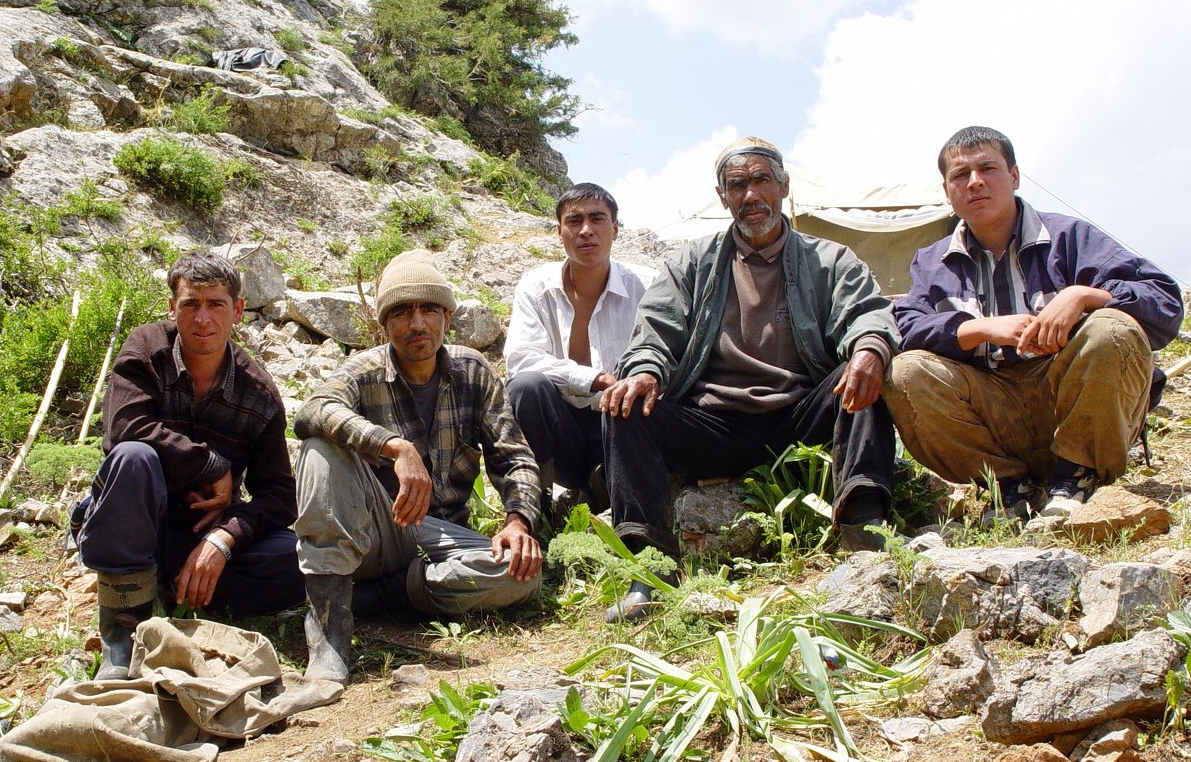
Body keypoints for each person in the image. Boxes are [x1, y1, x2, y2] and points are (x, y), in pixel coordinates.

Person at [599, 136, 900, 622]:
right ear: (723, 197)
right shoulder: (690, 263)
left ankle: (865, 531)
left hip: (799, 418)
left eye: (761, 180)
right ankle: (650, 572)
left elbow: (866, 314)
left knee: (865, 366)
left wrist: (870, 348)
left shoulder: (830, 259)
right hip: (714, 423)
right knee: (627, 403)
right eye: (737, 185)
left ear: (783, 186)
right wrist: (645, 370)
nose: (750, 194)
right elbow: (654, 330)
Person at [885, 126, 1184, 521]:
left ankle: (1077, 477)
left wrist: (1082, 296)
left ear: (1014, 176)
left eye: (987, 168)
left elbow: (1163, 299)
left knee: (1112, 327)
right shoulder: (932, 262)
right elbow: (905, 327)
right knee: (904, 372)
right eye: (960, 175)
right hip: (993, 413)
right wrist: (980, 329)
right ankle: (1010, 489)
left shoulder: (1068, 236)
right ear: (947, 191)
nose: (975, 182)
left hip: (1073, 401)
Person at [294, 250, 544, 684]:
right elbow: (314, 409)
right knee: (319, 448)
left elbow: (513, 455)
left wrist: (517, 522)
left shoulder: (473, 371)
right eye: (402, 312)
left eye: (429, 309)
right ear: (384, 323)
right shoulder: (364, 371)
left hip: (442, 533)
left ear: (447, 316)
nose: (416, 324)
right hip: (375, 528)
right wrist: (394, 447)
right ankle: (330, 630)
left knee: (519, 575)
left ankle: (378, 597)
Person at [77, 250, 304, 680]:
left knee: (297, 558)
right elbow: (124, 429)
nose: (203, 319)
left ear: (237, 311)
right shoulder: (146, 350)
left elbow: (279, 496)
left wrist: (224, 538)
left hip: (200, 533)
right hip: (137, 520)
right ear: (172, 308)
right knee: (133, 457)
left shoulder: (259, 394)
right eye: (190, 304)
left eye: (215, 304)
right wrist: (210, 466)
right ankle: (123, 632)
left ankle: (187, 591)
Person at [504, 183, 659, 524]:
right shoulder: (536, 286)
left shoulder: (647, 285)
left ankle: (630, 514)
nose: (586, 230)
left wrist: (625, 385)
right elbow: (520, 359)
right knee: (526, 387)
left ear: (615, 229)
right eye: (574, 221)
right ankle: (536, 508)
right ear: (559, 231)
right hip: (565, 435)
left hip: (628, 430)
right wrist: (595, 379)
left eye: (597, 219)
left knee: (634, 394)